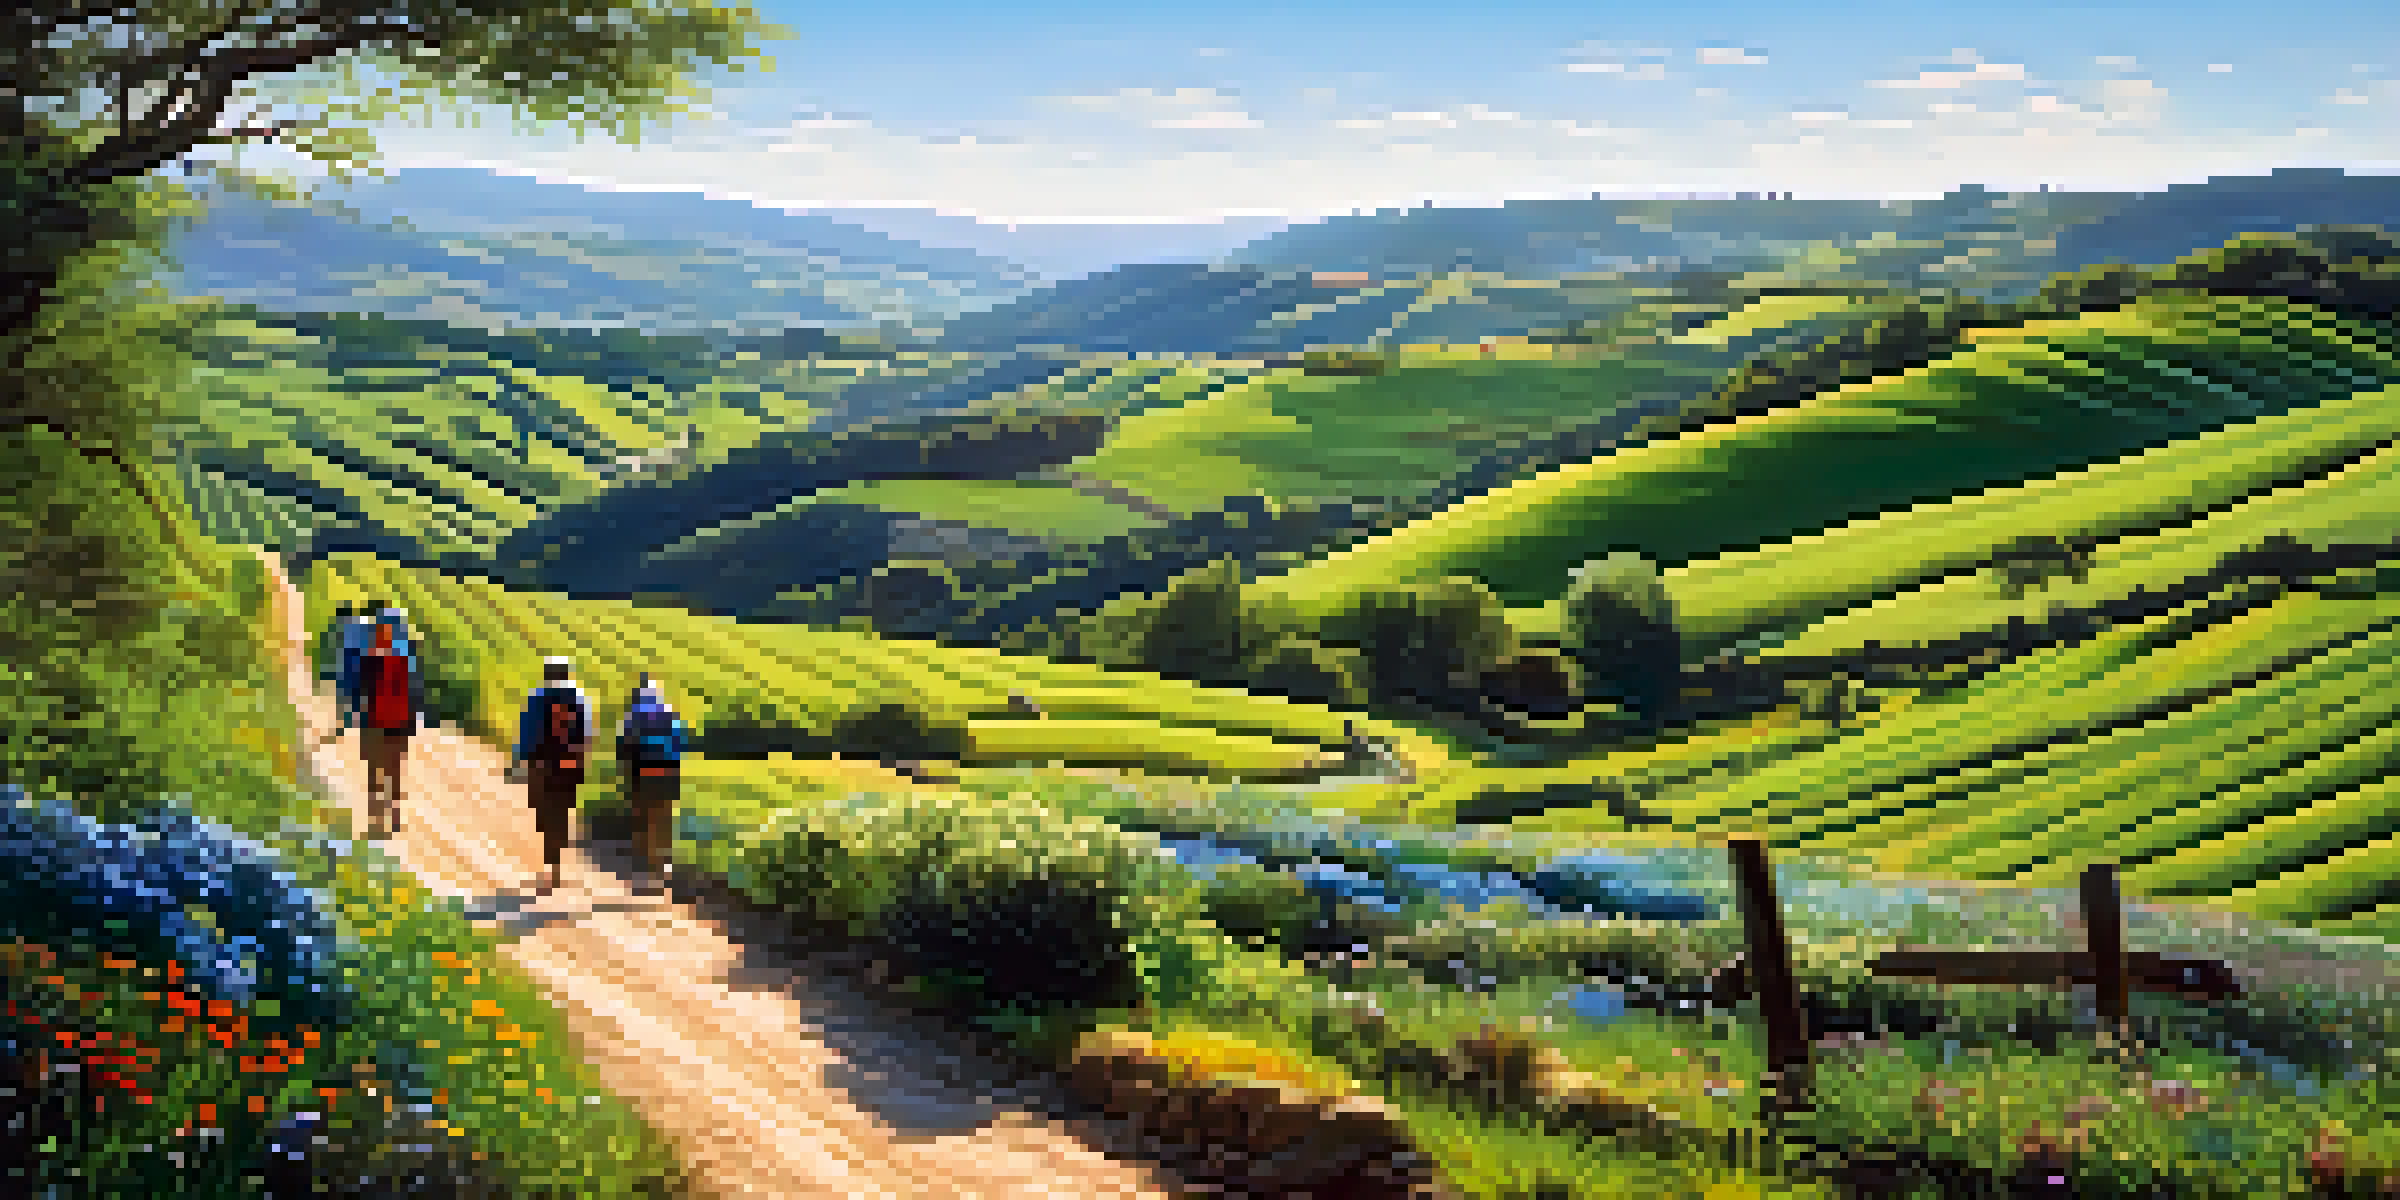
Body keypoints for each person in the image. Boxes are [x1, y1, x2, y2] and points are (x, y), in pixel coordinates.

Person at [514, 657, 592, 896]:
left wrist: (522, 760)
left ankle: (552, 867)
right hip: (571, 764)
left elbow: (527, 731)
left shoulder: (537, 697)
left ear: (548, 674)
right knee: (562, 810)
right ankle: (556, 866)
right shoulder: (580, 698)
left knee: (544, 811)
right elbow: (587, 734)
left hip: (543, 763)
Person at [352, 609, 424, 838]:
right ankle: (393, 816)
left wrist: (356, 715)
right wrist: (414, 720)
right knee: (394, 770)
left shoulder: (370, 656)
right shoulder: (407, 657)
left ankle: (375, 816)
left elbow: (360, 691)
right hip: (399, 722)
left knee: (374, 769)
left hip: (374, 720)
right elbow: (416, 691)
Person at [615, 674, 688, 897]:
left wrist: (626, 772)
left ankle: (650, 868)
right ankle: (665, 868)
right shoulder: (670, 713)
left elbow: (624, 746)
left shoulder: (634, 714)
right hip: (668, 774)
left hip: (643, 774)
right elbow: (681, 744)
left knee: (644, 820)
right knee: (664, 821)